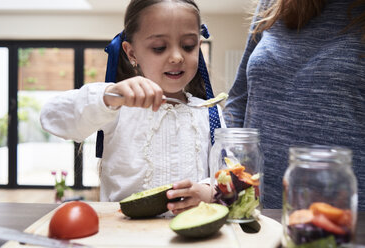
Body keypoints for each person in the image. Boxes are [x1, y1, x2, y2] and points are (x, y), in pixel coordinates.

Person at [40, 0, 224, 214]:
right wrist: (109, 97)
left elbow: (231, 176)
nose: (176, 57)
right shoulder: (117, 107)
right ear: (132, 53)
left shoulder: (211, 113)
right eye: (159, 47)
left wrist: (210, 192)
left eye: (188, 46)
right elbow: (51, 116)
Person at [224, 0, 365, 209]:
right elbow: (238, 100)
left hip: (341, 220)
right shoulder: (272, 4)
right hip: (253, 210)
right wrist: (225, 174)